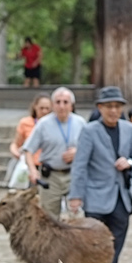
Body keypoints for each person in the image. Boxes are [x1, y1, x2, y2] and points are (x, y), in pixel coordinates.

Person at [68, 86, 132, 263]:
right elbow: (80, 165)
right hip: (96, 197)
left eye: (117, 106)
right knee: (95, 247)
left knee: (115, 248)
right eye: (109, 106)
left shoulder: (129, 129)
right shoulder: (90, 131)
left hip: (121, 198)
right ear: (100, 108)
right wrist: (76, 196)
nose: (113, 111)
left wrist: (128, 162)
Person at [22, 86, 87, 217]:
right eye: (58, 102)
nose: (61, 106)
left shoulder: (80, 123)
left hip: (73, 174)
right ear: (52, 105)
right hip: (51, 176)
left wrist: (77, 152)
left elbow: (89, 149)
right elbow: (28, 150)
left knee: (77, 216)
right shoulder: (43, 124)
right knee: (49, 218)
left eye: (65, 102)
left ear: (71, 105)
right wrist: (33, 171)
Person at [10, 92, 52, 166]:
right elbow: (16, 144)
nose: (44, 111)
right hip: (29, 164)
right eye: (41, 108)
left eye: (47, 108)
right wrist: (16, 153)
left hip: (48, 165)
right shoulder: (25, 123)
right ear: (35, 106)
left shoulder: (55, 124)